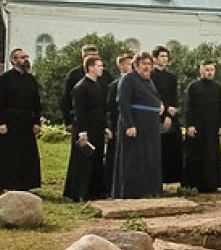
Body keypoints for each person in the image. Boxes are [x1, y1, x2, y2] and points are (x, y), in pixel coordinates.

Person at [0, 48, 42, 193]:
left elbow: (36, 102)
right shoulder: (5, 78)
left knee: (25, 154)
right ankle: (0, 184)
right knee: (5, 154)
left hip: (26, 122)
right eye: (22, 57)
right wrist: (0, 122)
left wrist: (36, 122)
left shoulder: (31, 79)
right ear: (14, 60)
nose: (25, 60)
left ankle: (23, 184)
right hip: (9, 121)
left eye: (26, 57)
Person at [113, 52, 164, 198]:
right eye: (143, 64)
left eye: (149, 64)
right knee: (134, 159)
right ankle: (132, 192)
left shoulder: (149, 80)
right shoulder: (128, 79)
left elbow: (151, 97)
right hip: (136, 123)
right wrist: (129, 125)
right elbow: (123, 102)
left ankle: (149, 190)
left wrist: (159, 105)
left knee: (150, 157)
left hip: (150, 125)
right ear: (136, 65)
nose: (146, 67)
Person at [63, 55, 109, 201]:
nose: (102, 68)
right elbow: (79, 112)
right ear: (90, 67)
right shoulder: (80, 87)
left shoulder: (100, 85)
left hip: (97, 127)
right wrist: (82, 132)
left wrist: (105, 127)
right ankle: (80, 192)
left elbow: (103, 108)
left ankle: (95, 191)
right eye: (99, 66)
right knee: (83, 161)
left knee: (96, 159)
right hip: (85, 128)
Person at [182, 60, 221, 193]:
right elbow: (188, 107)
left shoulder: (218, 88)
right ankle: (194, 184)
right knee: (195, 155)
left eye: (212, 70)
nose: (210, 72)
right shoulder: (193, 87)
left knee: (211, 156)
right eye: (207, 70)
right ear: (201, 70)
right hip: (197, 127)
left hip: (212, 128)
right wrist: (189, 125)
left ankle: (211, 184)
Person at [150, 45, 183, 184]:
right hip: (156, 115)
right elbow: (154, 95)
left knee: (173, 146)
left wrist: (172, 113)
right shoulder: (151, 76)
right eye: (162, 56)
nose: (164, 59)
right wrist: (164, 113)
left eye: (166, 56)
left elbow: (174, 95)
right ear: (155, 58)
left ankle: (173, 177)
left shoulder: (171, 77)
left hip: (171, 115)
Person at [104, 53, 133, 188]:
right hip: (118, 124)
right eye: (127, 63)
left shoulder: (137, 82)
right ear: (120, 65)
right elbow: (110, 108)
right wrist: (110, 126)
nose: (130, 66)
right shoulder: (114, 85)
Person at [61, 44, 111, 123]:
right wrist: (67, 120)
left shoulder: (105, 74)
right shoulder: (74, 74)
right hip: (83, 118)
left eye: (96, 55)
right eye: (92, 56)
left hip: (101, 118)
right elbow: (66, 98)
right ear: (84, 57)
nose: (95, 58)